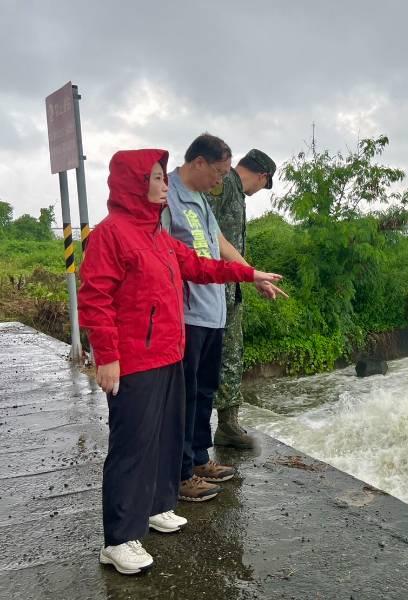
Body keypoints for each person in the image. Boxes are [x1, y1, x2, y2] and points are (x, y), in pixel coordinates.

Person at [79, 148, 284, 575]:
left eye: (162, 178)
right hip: (134, 361)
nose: (163, 186)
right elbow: (94, 300)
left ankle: (154, 507)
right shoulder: (111, 234)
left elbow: (199, 265)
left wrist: (250, 273)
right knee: (132, 447)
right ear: (134, 184)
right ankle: (117, 539)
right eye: (156, 179)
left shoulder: (157, 234)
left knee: (166, 438)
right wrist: (108, 357)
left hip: (169, 354)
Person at [163, 133, 287, 502]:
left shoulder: (201, 197)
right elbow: (163, 257)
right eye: (217, 172)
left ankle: (199, 459)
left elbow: (220, 243)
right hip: (186, 313)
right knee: (183, 397)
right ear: (199, 163)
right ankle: (181, 472)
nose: (221, 181)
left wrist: (254, 275)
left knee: (203, 391)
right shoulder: (167, 196)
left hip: (213, 309)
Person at [206, 148, 276, 449]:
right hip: (211, 289)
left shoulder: (233, 191)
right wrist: (251, 274)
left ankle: (228, 425)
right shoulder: (223, 188)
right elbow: (210, 238)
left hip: (227, 288)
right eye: (265, 183)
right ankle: (219, 428)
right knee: (215, 355)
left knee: (231, 352)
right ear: (262, 176)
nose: (261, 189)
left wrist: (250, 277)